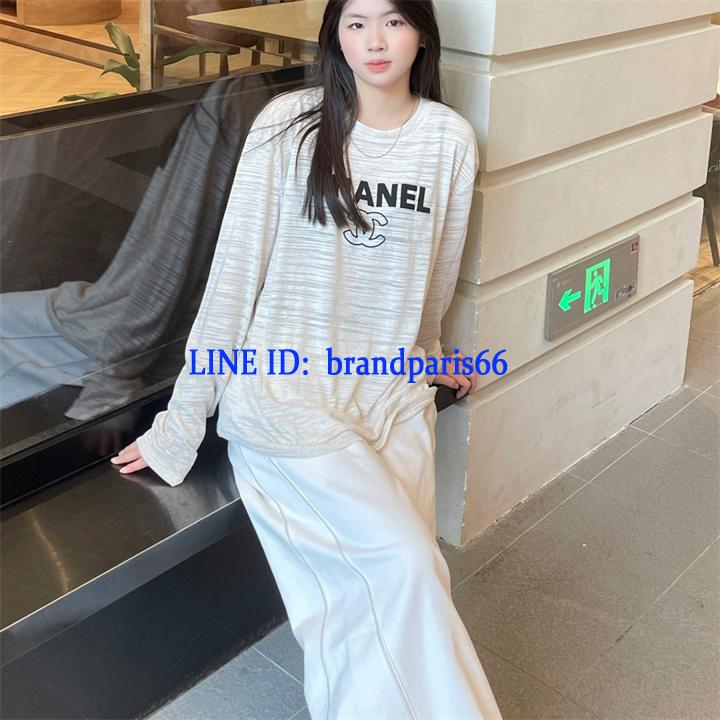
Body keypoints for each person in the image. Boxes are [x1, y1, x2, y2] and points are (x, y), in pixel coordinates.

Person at [111, 0, 504, 717]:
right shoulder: (289, 126)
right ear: (335, 37)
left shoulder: (448, 139)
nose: (375, 40)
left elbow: (434, 276)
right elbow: (232, 282)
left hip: (388, 395)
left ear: (422, 32)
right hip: (287, 401)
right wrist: (182, 419)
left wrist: (428, 356)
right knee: (404, 568)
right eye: (356, 23)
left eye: (393, 21)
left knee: (386, 596)